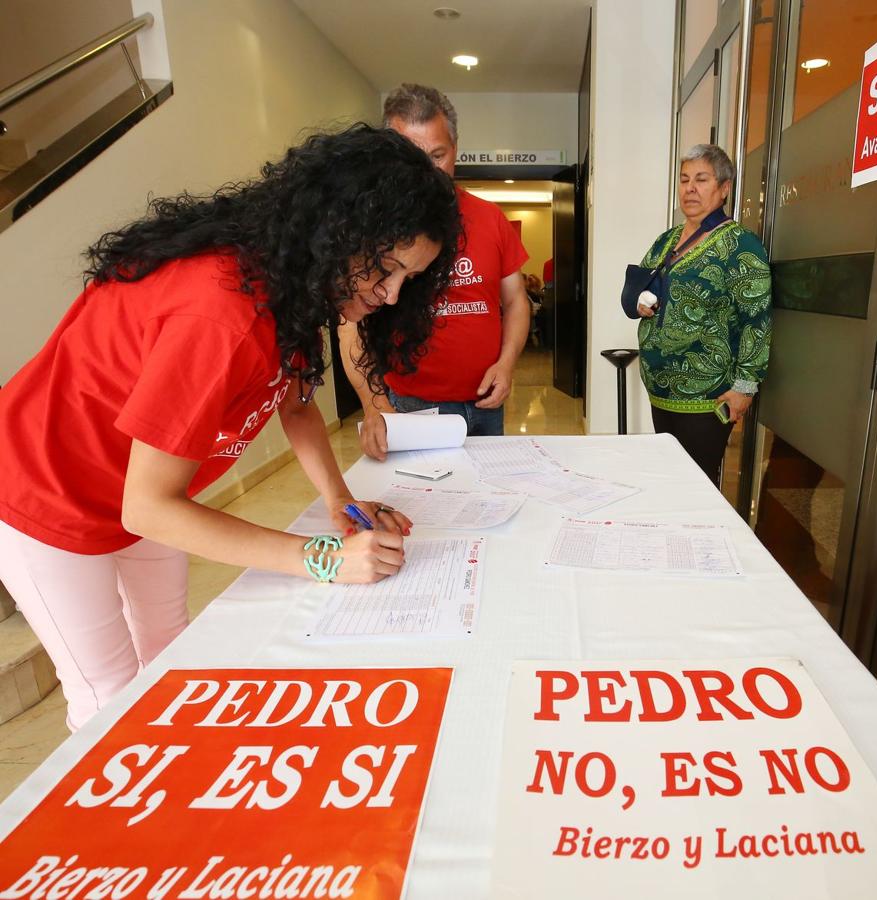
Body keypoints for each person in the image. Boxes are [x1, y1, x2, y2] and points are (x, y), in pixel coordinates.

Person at [0, 124, 461, 730]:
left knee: (171, 650)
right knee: (107, 695)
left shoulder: (295, 285)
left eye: (411, 277)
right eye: (387, 267)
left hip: (139, 488)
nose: (393, 294)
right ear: (338, 231)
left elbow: (295, 404)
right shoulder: (220, 313)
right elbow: (149, 508)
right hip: (45, 495)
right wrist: (324, 559)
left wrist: (342, 504)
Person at [340, 83, 530, 460]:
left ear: (456, 150)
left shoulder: (490, 219)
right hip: (410, 405)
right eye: (412, 157)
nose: (427, 171)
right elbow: (350, 323)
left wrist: (506, 365)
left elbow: (517, 301)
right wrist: (373, 401)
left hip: (485, 402)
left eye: (438, 155)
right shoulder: (371, 230)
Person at [634, 143, 772, 486]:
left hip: (706, 397)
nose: (690, 188)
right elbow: (642, 283)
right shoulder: (667, 240)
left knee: (695, 488)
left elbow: (757, 318)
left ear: (724, 189)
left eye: (701, 179)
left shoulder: (740, 243)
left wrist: (744, 388)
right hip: (660, 389)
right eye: (684, 180)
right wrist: (640, 301)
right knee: (669, 481)